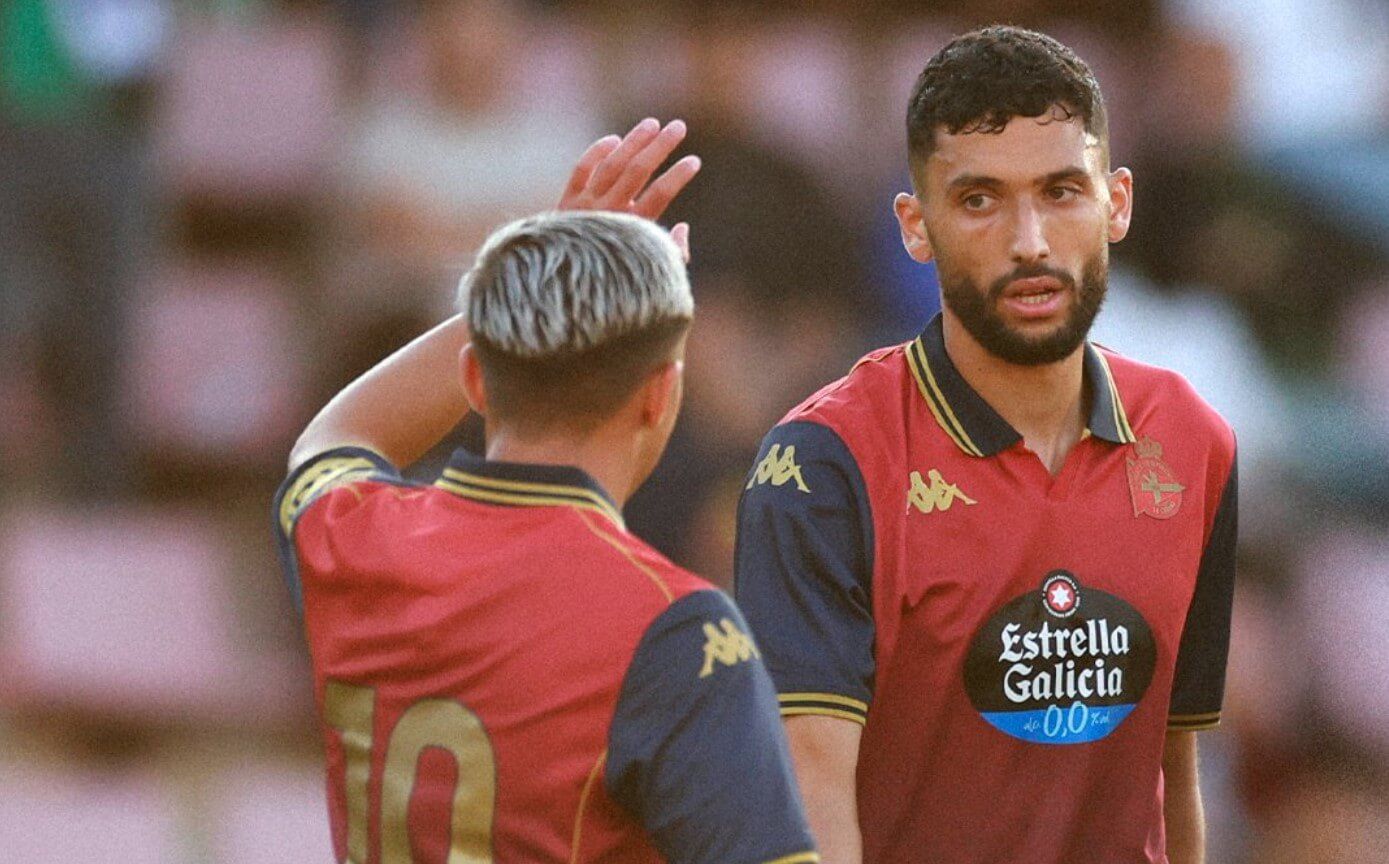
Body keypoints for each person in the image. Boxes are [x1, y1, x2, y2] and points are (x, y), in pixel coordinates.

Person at [734, 26, 1237, 864]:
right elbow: (808, 798)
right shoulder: (823, 464)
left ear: (1115, 203)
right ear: (914, 224)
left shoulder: (1193, 438)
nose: (1029, 240)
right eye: (979, 200)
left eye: (1060, 192)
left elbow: (1171, 773)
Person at [273, 119, 818, 864]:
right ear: (661, 396)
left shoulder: (352, 536)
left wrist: (528, 278)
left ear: (474, 379)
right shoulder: (675, 631)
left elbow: (335, 435)